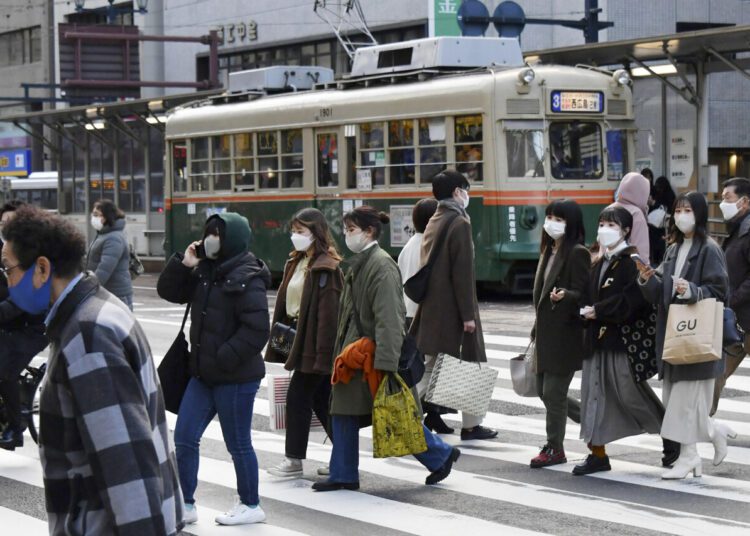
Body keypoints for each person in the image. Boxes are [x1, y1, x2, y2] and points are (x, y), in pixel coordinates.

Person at [2, 206, 183, 535]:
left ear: (42, 268)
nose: (8, 282)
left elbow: (126, 465)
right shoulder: (96, 309)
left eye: (8, 269)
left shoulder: (87, 336)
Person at [314, 206, 459, 491]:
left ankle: (439, 454)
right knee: (349, 411)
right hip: (356, 356)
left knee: (391, 413)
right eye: (345, 230)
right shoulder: (364, 262)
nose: (346, 236)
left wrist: (386, 363)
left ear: (369, 232)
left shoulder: (380, 265)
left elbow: (390, 319)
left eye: (351, 230)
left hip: (370, 357)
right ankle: (343, 472)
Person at [157, 212, 271, 525]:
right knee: (184, 436)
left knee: (238, 444)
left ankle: (250, 504)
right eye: (208, 233)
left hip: (235, 377)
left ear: (231, 238)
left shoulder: (249, 276)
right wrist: (185, 262)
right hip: (202, 374)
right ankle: (186, 503)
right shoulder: (205, 270)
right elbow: (168, 292)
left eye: (217, 235)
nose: (210, 240)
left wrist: (223, 357)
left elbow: (257, 329)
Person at [638, 191, 735, 479]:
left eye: (687, 210)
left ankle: (690, 455)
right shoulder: (672, 249)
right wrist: (646, 277)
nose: (681, 215)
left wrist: (692, 291)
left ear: (700, 214)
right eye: (678, 210)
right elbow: (661, 292)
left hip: (697, 336)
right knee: (677, 401)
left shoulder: (709, 249)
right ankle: (712, 433)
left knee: (682, 403)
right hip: (675, 337)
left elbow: (719, 291)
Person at [574, 206, 668, 475]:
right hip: (596, 339)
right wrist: (583, 309)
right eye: (602, 223)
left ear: (626, 230)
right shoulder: (599, 260)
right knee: (593, 395)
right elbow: (587, 294)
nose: (604, 229)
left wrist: (599, 310)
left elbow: (635, 300)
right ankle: (597, 453)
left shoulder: (632, 261)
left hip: (622, 342)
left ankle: (672, 437)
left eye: (612, 225)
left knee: (631, 394)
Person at [410, 171, 497, 441]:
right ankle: (402, 411)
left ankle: (471, 424)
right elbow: (462, 273)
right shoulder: (459, 222)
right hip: (454, 310)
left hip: (436, 308)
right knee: (454, 364)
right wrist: (468, 315)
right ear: (458, 192)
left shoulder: (436, 218)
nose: (466, 194)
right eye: (465, 189)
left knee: (442, 364)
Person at [266, 208, 343, 477]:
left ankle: (293, 461)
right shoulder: (296, 262)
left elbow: (329, 317)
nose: (294, 236)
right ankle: (343, 457)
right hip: (298, 337)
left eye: (301, 232)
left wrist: (325, 354)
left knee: (298, 397)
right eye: (294, 231)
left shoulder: (327, 267)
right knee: (321, 401)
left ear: (316, 233)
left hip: (314, 343)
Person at [530, 199, 589, 468]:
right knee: (545, 392)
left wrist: (566, 295)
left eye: (560, 219)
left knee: (553, 392)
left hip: (565, 336)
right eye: (550, 217)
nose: (552, 223)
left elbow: (584, 293)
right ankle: (592, 419)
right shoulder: (548, 250)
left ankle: (555, 448)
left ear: (572, 223)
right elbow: (541, 296)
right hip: (546, 335)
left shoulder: (576, 252)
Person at [397, 198, 454, 434]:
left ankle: (433, 415)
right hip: (424, 316)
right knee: (430, 369)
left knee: (428, 366)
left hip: (409, 314)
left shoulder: (410, 245)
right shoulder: (428, 247)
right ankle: (405, 412)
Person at [0, 200, 48, 450]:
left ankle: (14, 428)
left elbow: (25, 297)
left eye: (11, 223)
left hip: (34, 325)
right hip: (11, 322)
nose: (5, 227)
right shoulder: (5, 249)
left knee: (4, 369)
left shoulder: (33, 254)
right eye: (2, 223)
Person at [712, 177, 750, 415]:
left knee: (716, 373)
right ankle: (698, 427)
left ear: (745, 202)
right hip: (736, 320)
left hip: (743, 316)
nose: (722, 203)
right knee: (715, 374)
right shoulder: (736, 230)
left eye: (728, 198)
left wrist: (732, 298)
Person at [86, 199, 134, 310]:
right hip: (107, 292)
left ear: (107, 216)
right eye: (93, 214)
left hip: (116, 294)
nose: (93, 218)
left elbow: (104, 269)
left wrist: (89, 288)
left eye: (96, 215)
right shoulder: (104, 234)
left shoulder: (113, 238)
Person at [613, 172, 651, 265]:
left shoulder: (610, 209)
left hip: (609, 265)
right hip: (628, 268)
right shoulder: (636, 213)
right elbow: (640, 250)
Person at [647, 176, 676, 264]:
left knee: (663, 246)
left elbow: (668, 208)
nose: (659, 189)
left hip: (665, 227)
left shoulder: (670, 195)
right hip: (655, 227)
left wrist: (654, 203)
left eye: (660, 187)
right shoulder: (657, 194)